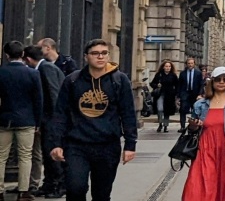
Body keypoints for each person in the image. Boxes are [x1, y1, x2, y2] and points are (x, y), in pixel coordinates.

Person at [47, 39, 138, 201]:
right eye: (95, 53)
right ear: (86, 57)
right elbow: (60, 114)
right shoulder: (73, 80)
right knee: (75, 188)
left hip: (107, 146)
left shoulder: (119, 80)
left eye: (104, 53)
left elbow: (128, 113)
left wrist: (130, 145)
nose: (100, 57)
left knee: (101, 194)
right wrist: (56, 143)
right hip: (76, 145)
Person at [181, 67, 225, 201]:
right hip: (204, 148)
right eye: (218, 79)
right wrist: (194, 125)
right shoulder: (200, 104)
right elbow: (192, 129)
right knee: (197, 186)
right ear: (212, 82)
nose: (221, 82)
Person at [0, 41, 43, 200]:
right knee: (26, 156)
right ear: (23, 55)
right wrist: (38, 122)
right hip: (27, 120)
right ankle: (24, 191)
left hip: (5, 120)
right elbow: (38, 100)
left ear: (7, 55)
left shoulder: (1, 72)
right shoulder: (33, 73)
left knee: (1, 156)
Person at [25, 45, 65, 198]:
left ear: (28, 59)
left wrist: (55, 121)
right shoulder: (46, 67)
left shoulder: (45, 69)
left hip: (51, 119)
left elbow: (54, 93)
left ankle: (59, 185)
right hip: (48, 118)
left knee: (52, 153)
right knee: (48, 154)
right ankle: (49, 184)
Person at [149, 60, 180, 133]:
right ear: (163, 67)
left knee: (167, 111)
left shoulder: (173, 75)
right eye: (166, 66)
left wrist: (176, 94)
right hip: (160, 94)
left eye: (169, 66)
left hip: (169, 96)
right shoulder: (159, 75)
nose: (168, 68)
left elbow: (177, 85)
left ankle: (165, 126)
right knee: (159, 109)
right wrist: (157, 85)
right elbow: (152, 83)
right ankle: (160, 123)